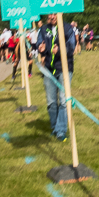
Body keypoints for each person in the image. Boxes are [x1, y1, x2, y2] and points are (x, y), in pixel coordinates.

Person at [37, 13, 76, 141]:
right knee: (51, 102)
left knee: (64, 100)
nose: (52, 16)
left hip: (64, 68)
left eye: (55, 14)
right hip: (48, 69)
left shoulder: (67, 28)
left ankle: (60, 130)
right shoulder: (43, 29)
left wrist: (59, 50)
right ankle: (54, 127)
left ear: (60, 14)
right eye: (50, 14)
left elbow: (72, 47)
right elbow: (39, 43)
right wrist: (40, 48)